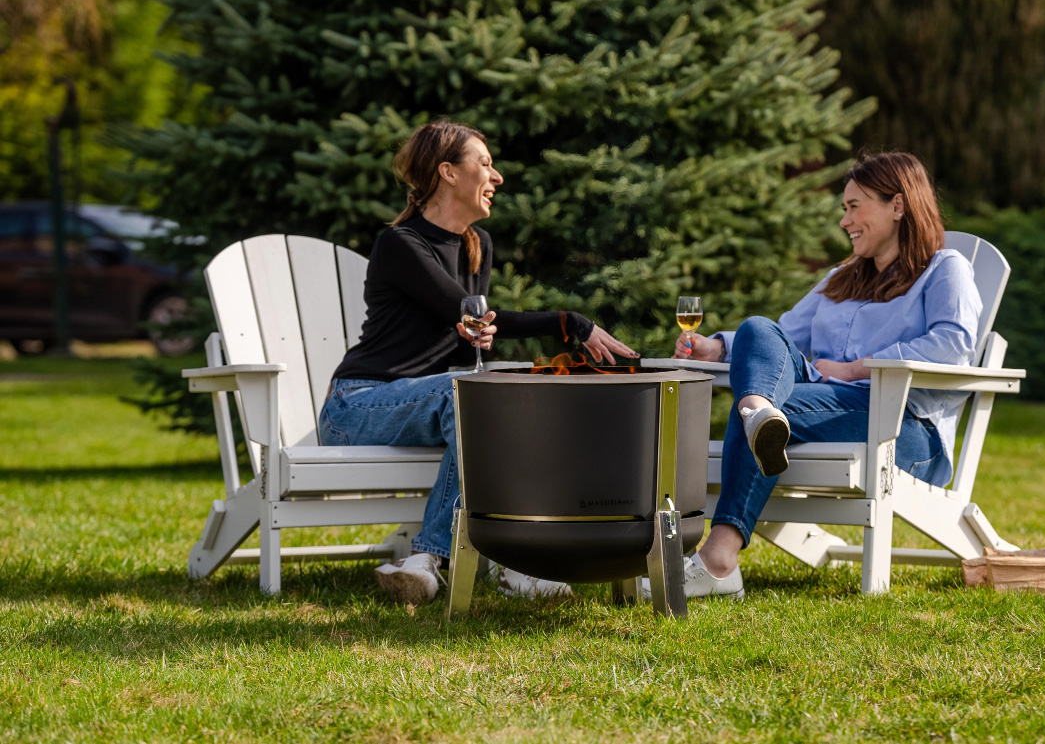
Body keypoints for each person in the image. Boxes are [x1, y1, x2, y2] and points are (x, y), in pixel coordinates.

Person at [319, 120, 638, 605]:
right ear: (447, 172)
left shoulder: (476, 245)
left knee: (492, 398)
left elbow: (468, 334)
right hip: (358, 406)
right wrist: (567, 321)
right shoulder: (402, 244)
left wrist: (478, 335)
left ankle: (485, 565)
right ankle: (454, 558)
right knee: (466, 394)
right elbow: (463, 311)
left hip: (431, 400)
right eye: (484, 164)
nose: (498, 177)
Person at [664, 151, 981, 598]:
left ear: (898, 205)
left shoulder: (944, 269)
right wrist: (716, 347)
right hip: (826, 406)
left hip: (904, 428)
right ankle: (757, 413)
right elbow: (782, 336)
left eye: (855, 206)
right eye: (843, 208)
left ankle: (718, 560)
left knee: (768, 405)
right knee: (758, 328)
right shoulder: (843, 277)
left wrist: (855, 368)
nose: (844, 220)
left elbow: (953, 345)